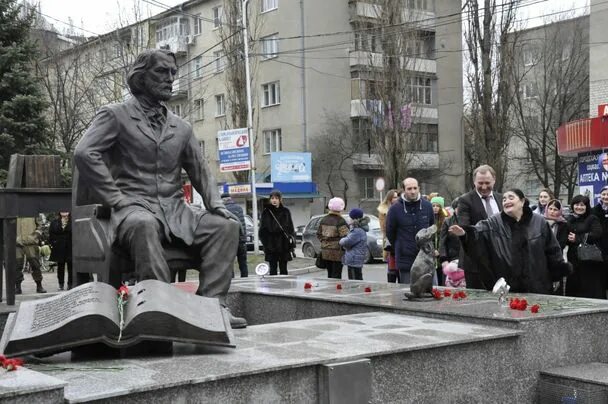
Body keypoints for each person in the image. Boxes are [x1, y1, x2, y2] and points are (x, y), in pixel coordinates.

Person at [74, 49, 245, 328]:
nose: (169, 79)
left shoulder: (182, 127)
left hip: (176, 210)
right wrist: (115, 198)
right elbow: (84, 153)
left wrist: (217, 205)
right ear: (140, 77)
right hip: (133, 208)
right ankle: (159, 307)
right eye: (161, 72)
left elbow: (200, 169)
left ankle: (213, 308)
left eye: (172, 73)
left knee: (227, 226)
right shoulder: (115, 116)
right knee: (143, 224)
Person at [449, 189, 571, 294]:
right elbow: (478, 233)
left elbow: (553, 250)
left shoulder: (539, 222)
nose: (506, 201)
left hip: (538, 283)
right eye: (504, 199)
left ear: (522, 201)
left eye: (511, 198)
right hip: (507, 285)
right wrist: (465, 234)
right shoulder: (494, 222)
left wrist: (556, 274)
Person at [457, 165, 503, 289]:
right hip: (475, 261)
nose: (484, 187)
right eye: (480, 183)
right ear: (474, 182)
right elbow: (466, 228)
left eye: (487, 183)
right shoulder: (465, 201)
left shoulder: (501, 199)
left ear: (494, 180)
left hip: (499, 259)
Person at [385, 178, 434, 284]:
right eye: (409, 188)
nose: (413, 191)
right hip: (405, 258)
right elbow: (390, 232)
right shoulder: (395, 209)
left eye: (415, 188)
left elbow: (430, 227)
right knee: (407, 292)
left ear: (419, 188)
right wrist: (401, 245)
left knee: (429, 292)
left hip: (425, 257)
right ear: (403, 190)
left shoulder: (427, 206)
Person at [565, 195, 605, 299]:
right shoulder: (570, 219)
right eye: (577, 205)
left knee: (589, 288)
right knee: (574, 287)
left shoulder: (592, 218)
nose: (579, 207)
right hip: (574, 259)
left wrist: (578, 238)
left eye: (582, 205)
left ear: (587, 206)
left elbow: (597, 233)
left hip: (588, 259)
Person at [259, 190, 295, 276]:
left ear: (280, 199)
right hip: (271, 245)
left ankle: (284, 288)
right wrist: (266, 244)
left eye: (276, 198)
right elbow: (262, 231)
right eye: (272, 198)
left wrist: (290, 242)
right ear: (270, 200)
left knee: (283, 270)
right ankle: (273, 289)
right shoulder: (266, 212)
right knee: (272, 270)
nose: (274, 200)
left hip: (283, 245)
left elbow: (290, 228)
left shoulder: (286, 211)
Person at [317, 197, 349, 279]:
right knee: (336, 275)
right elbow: (345, 237)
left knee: (329, 273)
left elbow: (318, 234)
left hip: (325, 252)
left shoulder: (323, 219)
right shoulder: (340, 221)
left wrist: (325, 242)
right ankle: (335, 291)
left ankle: (329, 290)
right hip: (337, 253)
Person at [15, 217, 47, 294]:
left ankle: (39, 286)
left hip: (31, 244)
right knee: (16, 265)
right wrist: (14, 238)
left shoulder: (33, 210)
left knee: (35, 264)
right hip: (17, 244)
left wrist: (34, 237)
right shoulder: (13, 209)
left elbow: (40, 226)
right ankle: (18, 287)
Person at [544, 199, 569, 295]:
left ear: (560, 211)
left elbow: (561, 243)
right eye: (550, 209)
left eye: (555, 209)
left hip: (556, 259)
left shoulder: (563, 224)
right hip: (542, 259)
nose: (552, 212)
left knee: (557, 288)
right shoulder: (540, 221)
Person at [222, 192, 248, 278]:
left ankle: (232, 282)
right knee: (243, 263)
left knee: (230, 264)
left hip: (229, 241)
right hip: (241, 240)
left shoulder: (223, 210)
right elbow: (243, 225)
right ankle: (245, 279)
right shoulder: (239, 208)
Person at [339, 208, 369, 280]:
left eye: (350, 217)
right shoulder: (358, 229)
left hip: (354, 259)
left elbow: (346, 242)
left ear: (354, 219)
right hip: (356, 259)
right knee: (357, 278)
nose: (348, 219)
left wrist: (341, 240)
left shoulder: (357, 231)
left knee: (354, 281)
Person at [377, 189, 400, 283]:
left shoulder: (401, 207)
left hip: (401, 239)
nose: (397, 199)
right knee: (392, 267)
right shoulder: (384, 211)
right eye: (394, 197)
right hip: (390, 241)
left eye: (397, 196)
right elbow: (384, 228)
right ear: (389, 198)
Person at [439, 198, 463, 285]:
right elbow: (442, 242)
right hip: (451, 259)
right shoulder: (448, 221)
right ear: (454, 208)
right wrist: (444, 259)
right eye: (458, 207)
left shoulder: (469, 220)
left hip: (465, 260)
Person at [49, 212, 72, 291]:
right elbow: (51, 234)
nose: (64, 212)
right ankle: (61, 284)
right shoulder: (55, 222)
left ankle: (70, 284)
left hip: (70, 247)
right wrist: (53, 243)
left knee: (71, 266)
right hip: (59, 247)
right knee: (60, 267)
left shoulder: (73, 221)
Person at [592, 185, 608, 293]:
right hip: (599, 249)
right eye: (603, 194)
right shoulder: (594, 211)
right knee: (600, 280)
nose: (606, 197)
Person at [431, 196, 447, 285]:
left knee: (442, 280)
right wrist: (433, 249)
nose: (435, 208)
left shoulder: (445, 221)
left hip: (442, 256)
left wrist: (440, 251)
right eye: (433, 206)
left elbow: (445, 239)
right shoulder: (429, 220)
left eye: (437, 206)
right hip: (431, 254)